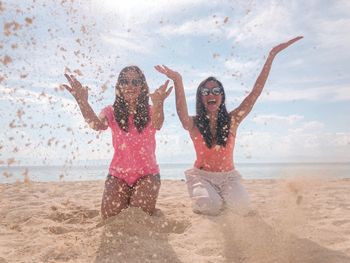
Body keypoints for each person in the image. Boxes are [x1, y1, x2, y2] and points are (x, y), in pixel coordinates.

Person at [155, 36, 303, 216]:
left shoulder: (233, 120)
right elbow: (181, 113)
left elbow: (254, 94)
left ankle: (222, 197)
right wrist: (178, 80)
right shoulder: (194, 123)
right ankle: (208, 197)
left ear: (222, 96)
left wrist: (271, 56)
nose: (211, 94)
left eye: (216, 91)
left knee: (242, 209)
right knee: (209, 206)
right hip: (202, 177)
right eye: (206, 91)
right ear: (201, 98)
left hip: (229, 177)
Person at [61, 66, 173, 219]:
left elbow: (158, 123)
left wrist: (159, 103)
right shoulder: (111, 111)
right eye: (125, 81)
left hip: (147, 175)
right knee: (108, 216)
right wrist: (82, 101)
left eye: (135, 82)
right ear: (119, 86)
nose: (130, 86)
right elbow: (96, 125)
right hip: (118, 175)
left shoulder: (150, 110)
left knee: (138, 216)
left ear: (142, 86)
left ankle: (141, 199)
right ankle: (129, 198)